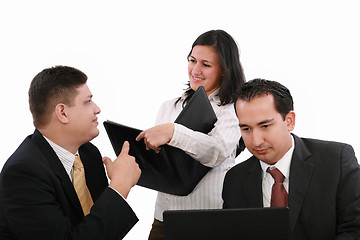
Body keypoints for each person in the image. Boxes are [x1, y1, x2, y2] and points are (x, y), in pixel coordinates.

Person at [0, 66, 141, 240]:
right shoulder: (24, 173)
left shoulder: (89, 154)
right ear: (63, 113)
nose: (97, 109)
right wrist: (120, 187)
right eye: (88, 101)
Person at [136, 29, 246, 239]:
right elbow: (162, 162)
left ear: (224, 70)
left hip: (208, 222)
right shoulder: (168, 107)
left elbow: (217, 152)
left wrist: (173, 132)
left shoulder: (232, 109)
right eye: (192, 60)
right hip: (164, 220)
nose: (195, 70)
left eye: (206, 64)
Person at [222, 78, 360, 239]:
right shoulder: (234, 179)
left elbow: (355, 229)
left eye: (265, 126)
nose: (256, 141)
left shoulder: (336, 160)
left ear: (289, 121)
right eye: (246, 129)